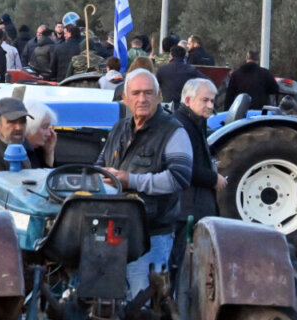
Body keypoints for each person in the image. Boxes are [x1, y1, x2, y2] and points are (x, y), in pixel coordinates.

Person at [96, 69, 192, 296]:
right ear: (125, 98)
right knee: (108, 300)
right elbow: (100, 164)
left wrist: (130, 180)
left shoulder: (173, 132)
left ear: (159, 97)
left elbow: (179, 178)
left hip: (151, 236)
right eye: (136, 93)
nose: (142, 99)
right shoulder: (119, 128)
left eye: (149, 93)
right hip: (113, 231)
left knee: (143, 303)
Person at [172, 78, 226, 269]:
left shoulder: (196, 123)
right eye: (205, 100)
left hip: (194, 208)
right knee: (183, 266)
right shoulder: (181, 127)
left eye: (212, 101)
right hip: (186, 210)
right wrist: (213, 179)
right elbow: (183, 168)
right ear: (188, 100)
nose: (210, 106)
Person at [24, 100, 58, 168]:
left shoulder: (38, 150)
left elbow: (48, 174)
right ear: (30, 127)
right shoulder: (18, 154)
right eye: (45, 127)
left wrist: (49, 153)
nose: (49, 134)